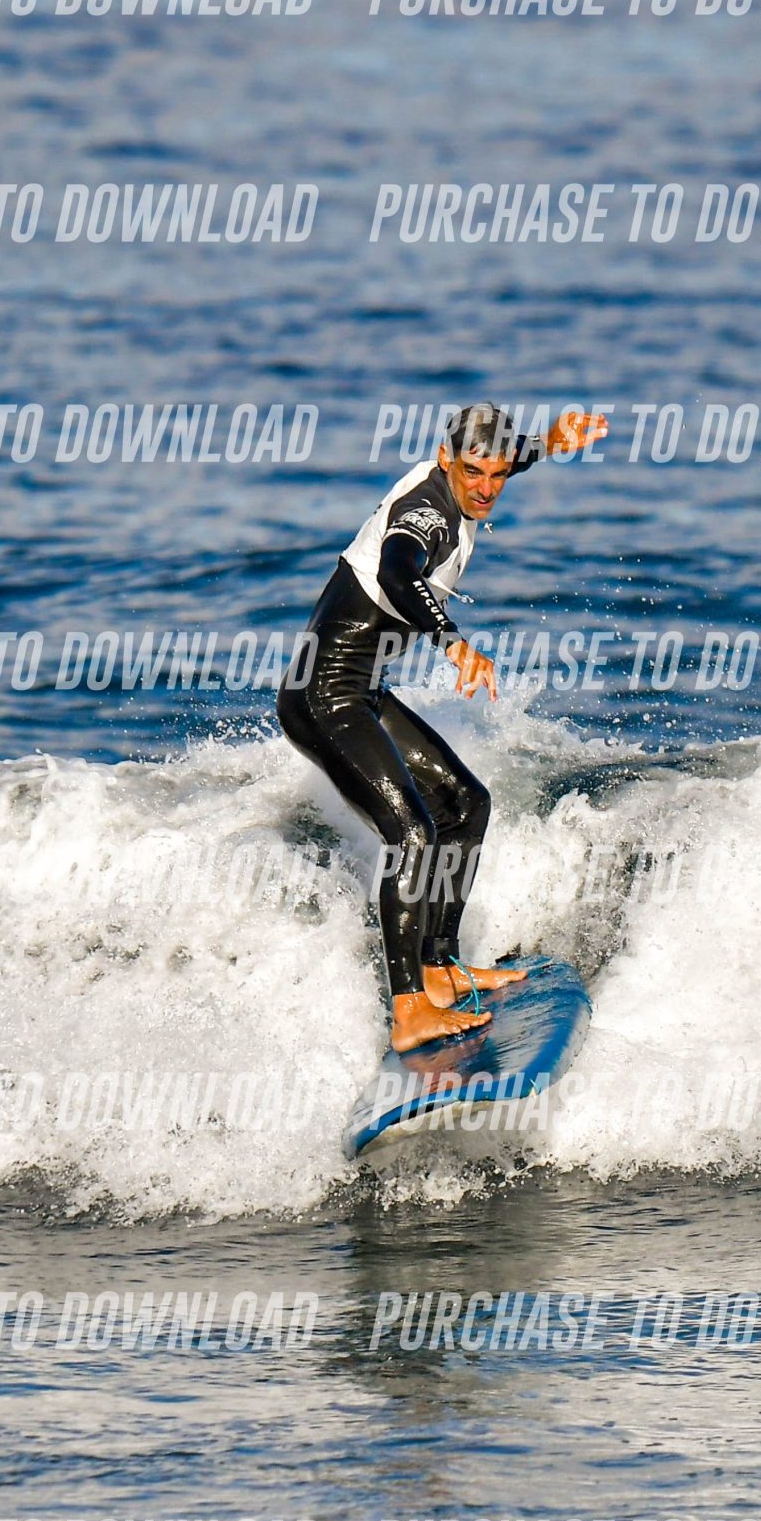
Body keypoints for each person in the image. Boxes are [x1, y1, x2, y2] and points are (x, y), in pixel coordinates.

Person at [279, 403, 611, 1051]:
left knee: (465, 805)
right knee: (412, 832)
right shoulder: (426, 514)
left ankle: (439, 967)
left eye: (498, 475)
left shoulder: (473, 476)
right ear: (444, 460)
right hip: (324, 697)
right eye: (473, 473)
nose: (486, 488)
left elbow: (501, 459)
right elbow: (398, 571)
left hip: (362, 690)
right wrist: (452, 642)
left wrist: (549, 442)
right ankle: (409, 1009)